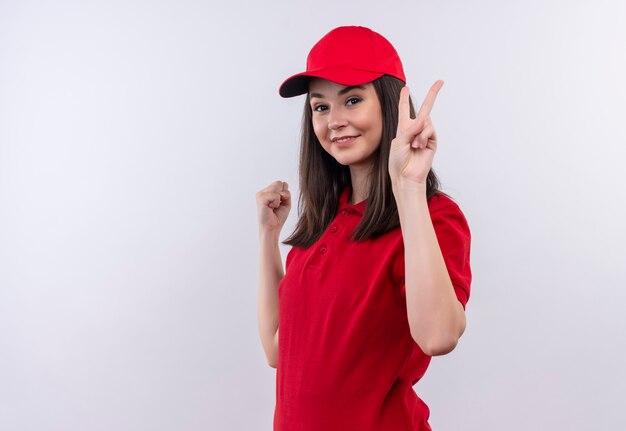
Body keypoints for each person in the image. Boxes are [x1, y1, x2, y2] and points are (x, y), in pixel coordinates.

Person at [256, 25, 472, 431]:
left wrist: (407, 187)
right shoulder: (322, 224)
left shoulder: (433, 217)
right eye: (320, 107)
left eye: (352, 100)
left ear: (390, 104)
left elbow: (439, 336)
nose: (334, 121)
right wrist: (269, 237)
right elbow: (276, 350)